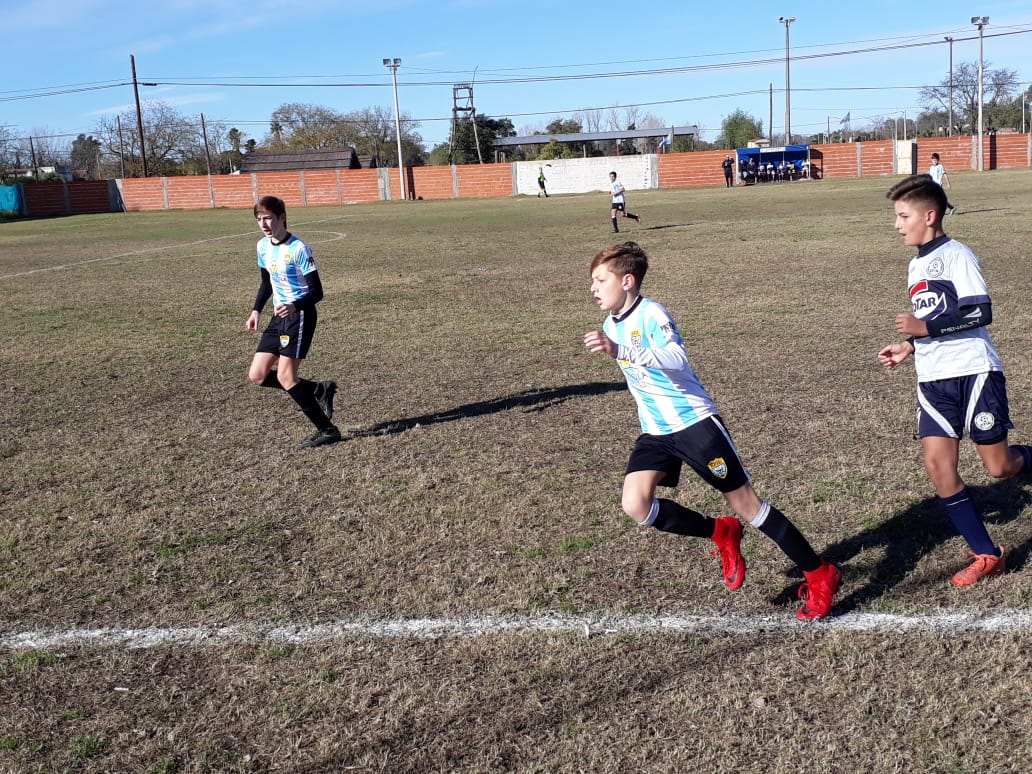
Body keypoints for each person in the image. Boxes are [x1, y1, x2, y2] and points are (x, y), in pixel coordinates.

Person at [583, 241, 841, 620]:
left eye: (600, 280)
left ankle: (820, 574)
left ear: (627, 281)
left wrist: (621, 350)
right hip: (655, 432)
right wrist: (617, 347)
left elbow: (677, 358)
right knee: (635, 505)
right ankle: (721, 532)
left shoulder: (652, 313)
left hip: (694, 424)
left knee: (747, 506)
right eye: (592, 281)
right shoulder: (610, 325)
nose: (593, 288)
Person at [878, 174, 1032, 586]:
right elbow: (933, 316)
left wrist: (925, 329)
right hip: (933, 380)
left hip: (974, 371)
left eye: (903, 216)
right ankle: (987, 554)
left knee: (1000, 467)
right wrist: (910, 344)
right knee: (937, 466)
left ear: (929, 216)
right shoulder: (915, 265)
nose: (897, 225)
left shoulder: (956, 255)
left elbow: (980, 312)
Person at [245, 195, 341, 449]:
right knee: (257, 375)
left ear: (282, 217)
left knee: (287, 377)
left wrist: (294, 305)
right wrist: (256, 310)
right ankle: (319, 389)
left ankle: (328, 430)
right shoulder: (262, 247)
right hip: (279, 317)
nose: (264, 224)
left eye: (268, 218)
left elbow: (317, 292)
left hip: (300, 315)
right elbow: (266, 282)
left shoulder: (299, 249)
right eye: (259, 219)